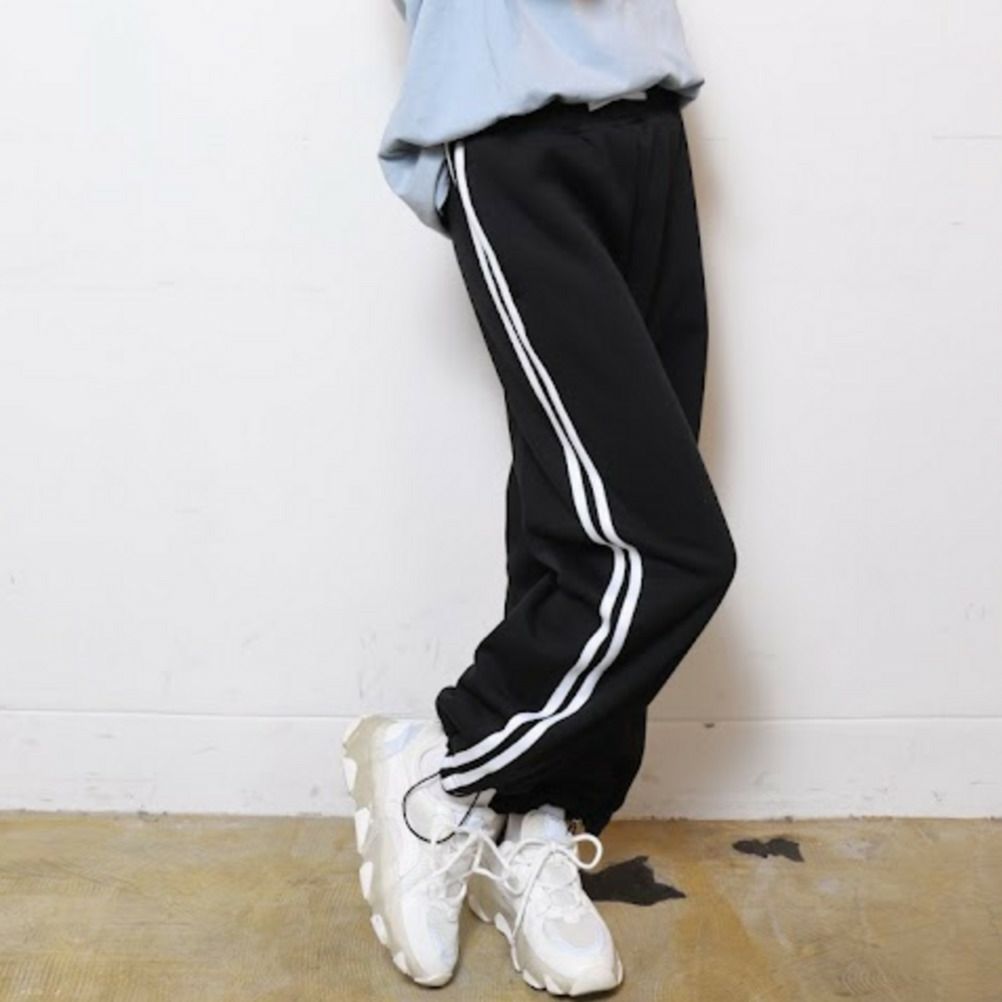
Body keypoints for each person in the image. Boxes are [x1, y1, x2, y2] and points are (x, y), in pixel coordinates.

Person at [342, 0, 737, 995]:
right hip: (509, 124)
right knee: (665, 550)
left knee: (582, 523)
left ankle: (535, 823)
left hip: (648, 118)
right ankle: (445, 766)